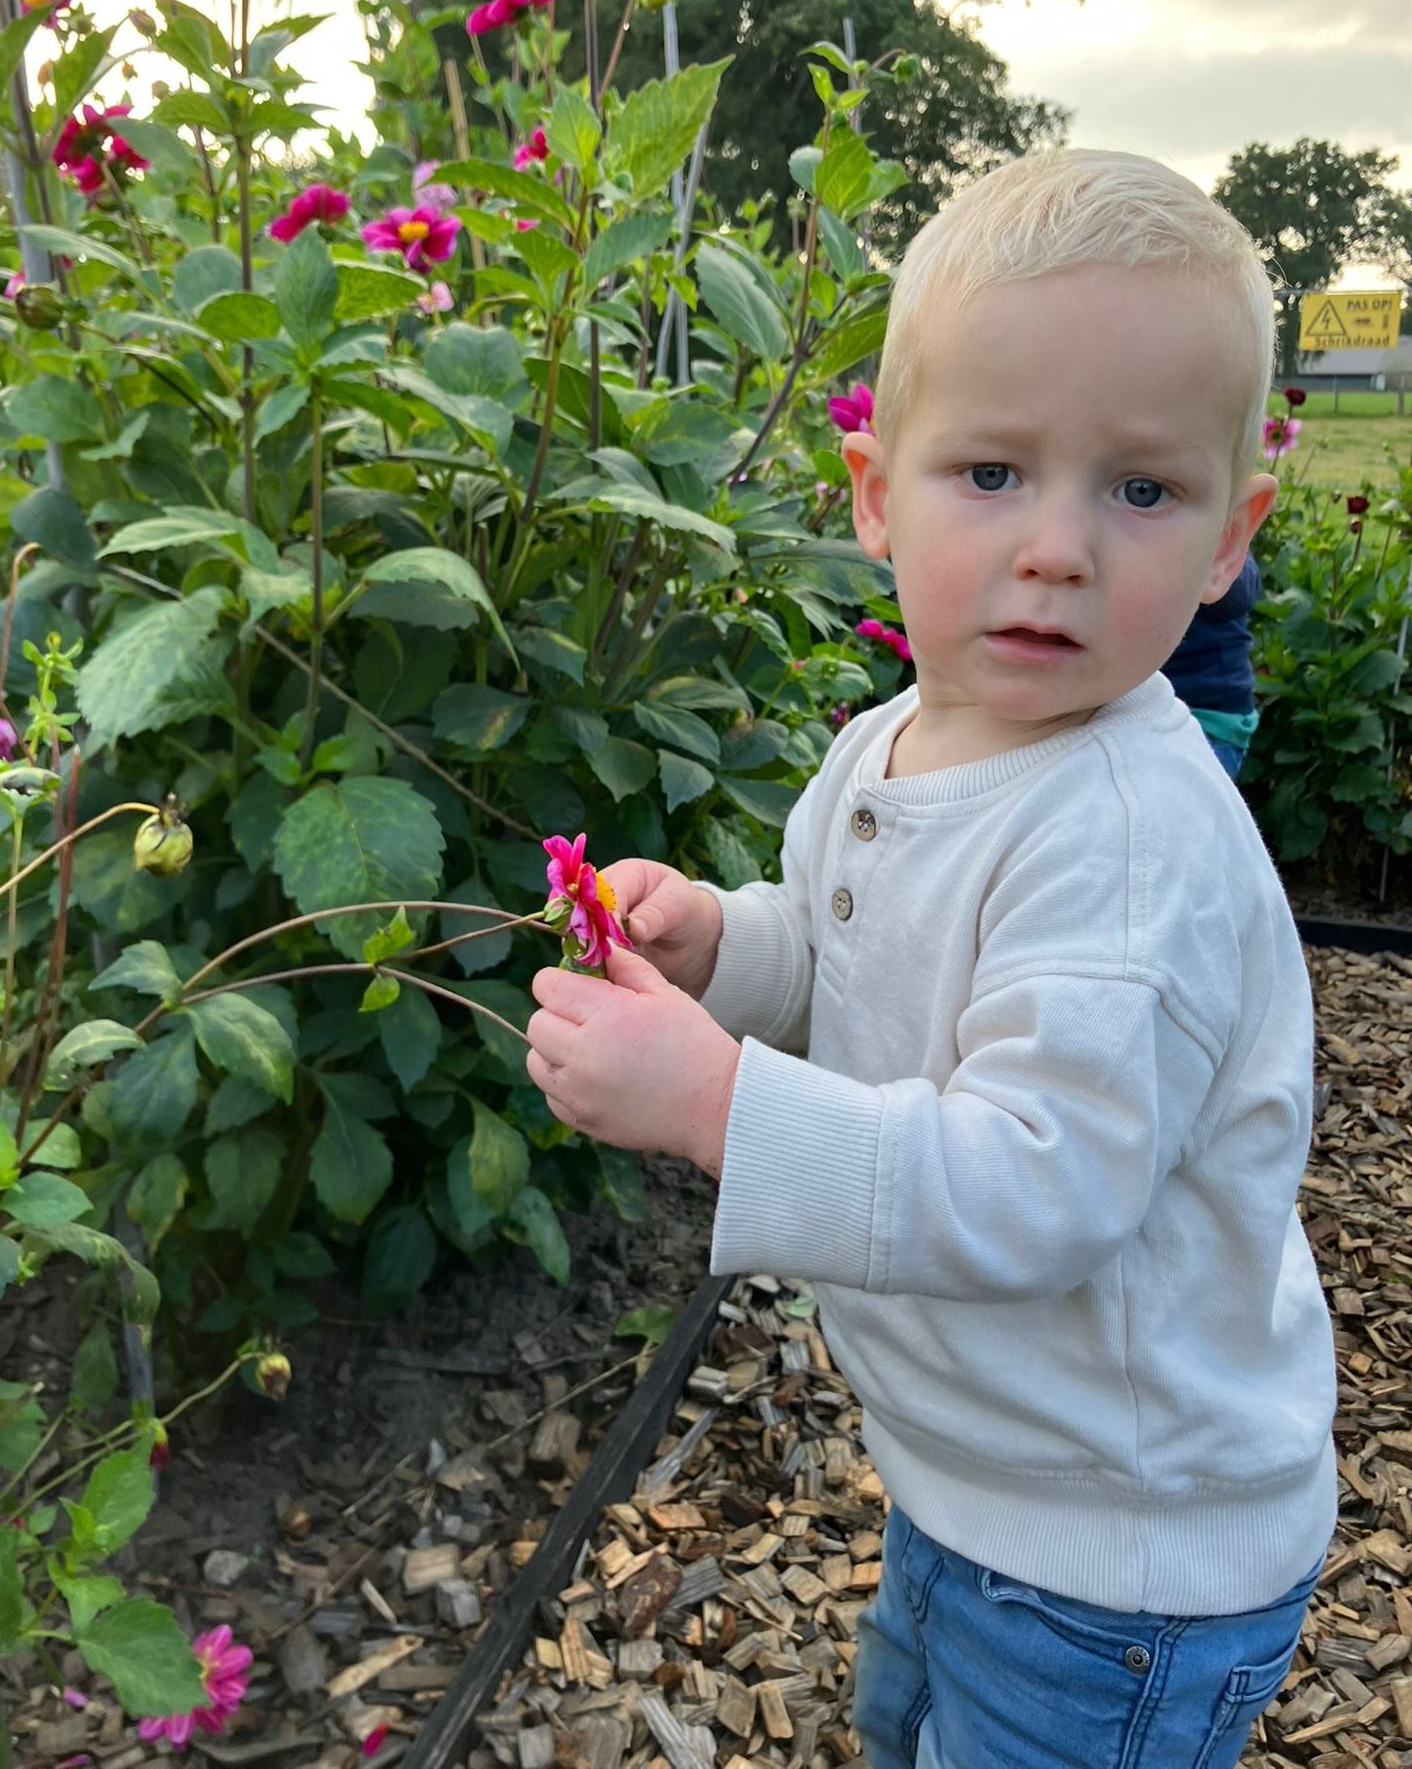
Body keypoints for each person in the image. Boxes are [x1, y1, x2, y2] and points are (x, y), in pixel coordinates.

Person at [523, 149, 1337, 1769]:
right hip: (983, 1480)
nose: (1058, 547)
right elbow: (841, 941)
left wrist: (719, 1106)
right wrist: (722, 946)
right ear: (875, 491)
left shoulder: (1129, 847)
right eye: (992, 472)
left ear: (1230, 537)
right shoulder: (896, 739)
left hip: (1123, 1560)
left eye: (1141, 491)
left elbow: (1040, 1185)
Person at [1163, 551, 1263, 778]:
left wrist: (1200, 559)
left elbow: (1239, 594)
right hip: (1145, 712)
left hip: (1208, 719)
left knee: (1175, 796)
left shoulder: (1223, 549)